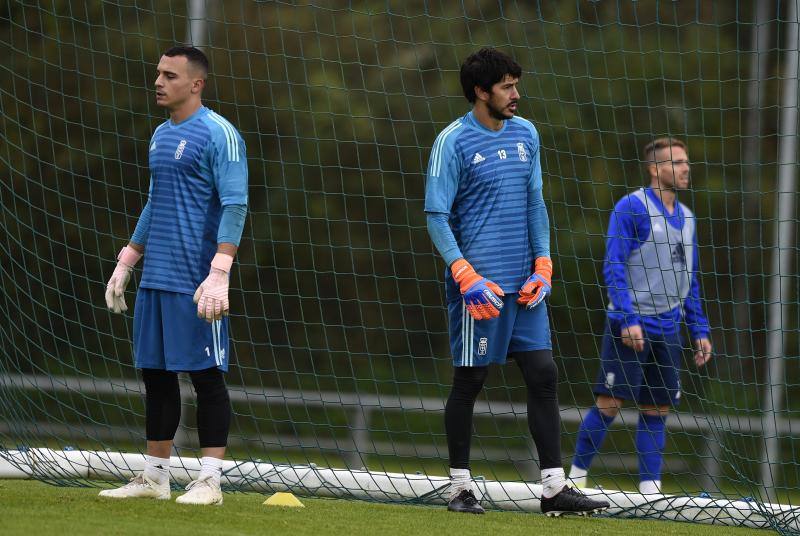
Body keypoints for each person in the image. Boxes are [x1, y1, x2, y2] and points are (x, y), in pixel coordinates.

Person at [424, 47, 609, 517]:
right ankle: (459, 489)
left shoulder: (527, 133)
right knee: (470, 381)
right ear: (480, 91)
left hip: (525, 287)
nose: (516, 94)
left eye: (516, 85)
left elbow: (535, 203)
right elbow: (436, 216)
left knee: (544, 374)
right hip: (479, 290)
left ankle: (553, 489)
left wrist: (543, 263)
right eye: (506, 87)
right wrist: (463, 274)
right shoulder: (452, 141)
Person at [99, 46, 248, 506]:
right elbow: (155, 200)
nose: (159, 82)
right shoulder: (161, 135)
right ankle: (155, 477)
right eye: (158, 73)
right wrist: (128, 259)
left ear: (196, 84)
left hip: (197, 282)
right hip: (157, 278)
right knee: (157, 377)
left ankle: (210, 481)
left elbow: (235, 204)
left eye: (170, 75)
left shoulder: (220, 134)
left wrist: (220, 270)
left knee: (206, 378)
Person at [569, 137, 712, 495]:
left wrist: (699, 328)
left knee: (657, 409)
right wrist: (627, 318)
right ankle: (573, 478)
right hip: (632, 324)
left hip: (669, 327)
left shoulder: (689, 218)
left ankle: (651, 490)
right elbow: (614, 265)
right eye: (676, 162)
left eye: (686, 161)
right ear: (654, 169)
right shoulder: (631, 207)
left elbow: (690, 278)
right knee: (610, 403)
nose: (685, 168)